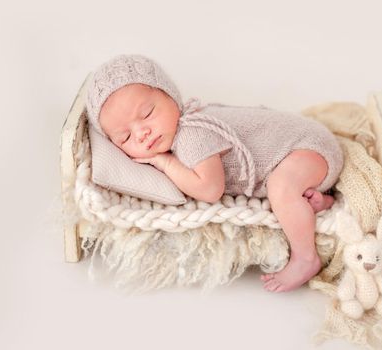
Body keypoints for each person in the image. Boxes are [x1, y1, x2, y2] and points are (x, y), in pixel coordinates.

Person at [86, 54, 344, 292]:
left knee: (281, 187)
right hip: (306, 158)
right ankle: (315, 202)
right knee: (285, 187)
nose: (142, 133)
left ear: (172, 97)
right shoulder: (177, 132)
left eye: (147, 113)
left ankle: (306, 258)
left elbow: (210, 190)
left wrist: (165, 164)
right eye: (126, 136)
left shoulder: (191, 134)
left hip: (309, 147)